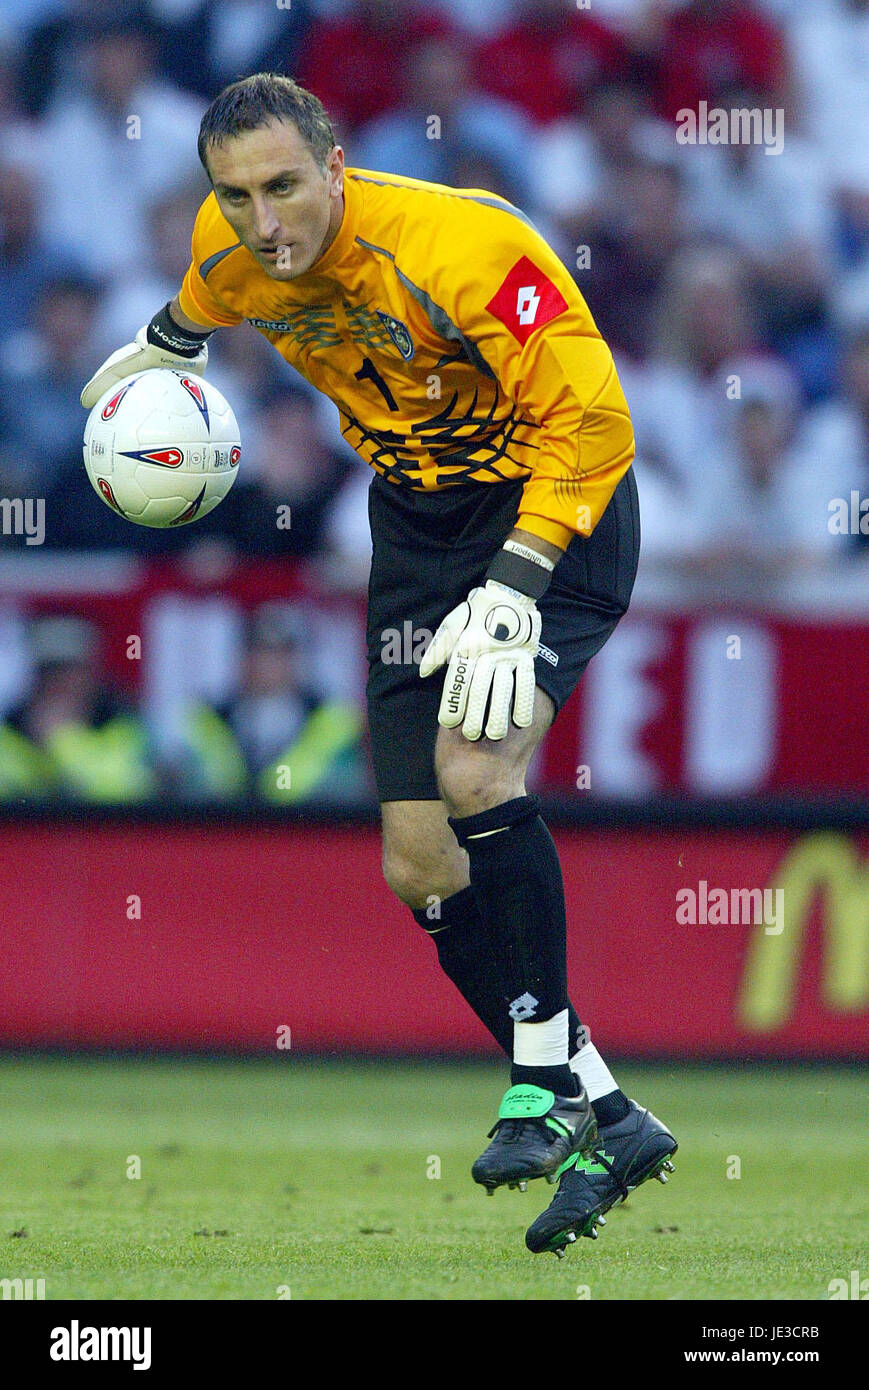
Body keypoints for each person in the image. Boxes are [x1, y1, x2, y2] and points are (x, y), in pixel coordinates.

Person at [80, 72, 677, 1257]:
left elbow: (597, 422)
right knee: (417, 864)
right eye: (237, 194)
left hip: (548, 508)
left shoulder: (465, 245)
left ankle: (542, 1092)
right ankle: (604, 1111)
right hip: (413, 526)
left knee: (472, 771)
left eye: (285, 186)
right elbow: (192, 313)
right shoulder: (228, 252)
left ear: (337, 163)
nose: (264, 220)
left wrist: (515, 584)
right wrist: (153, 361)